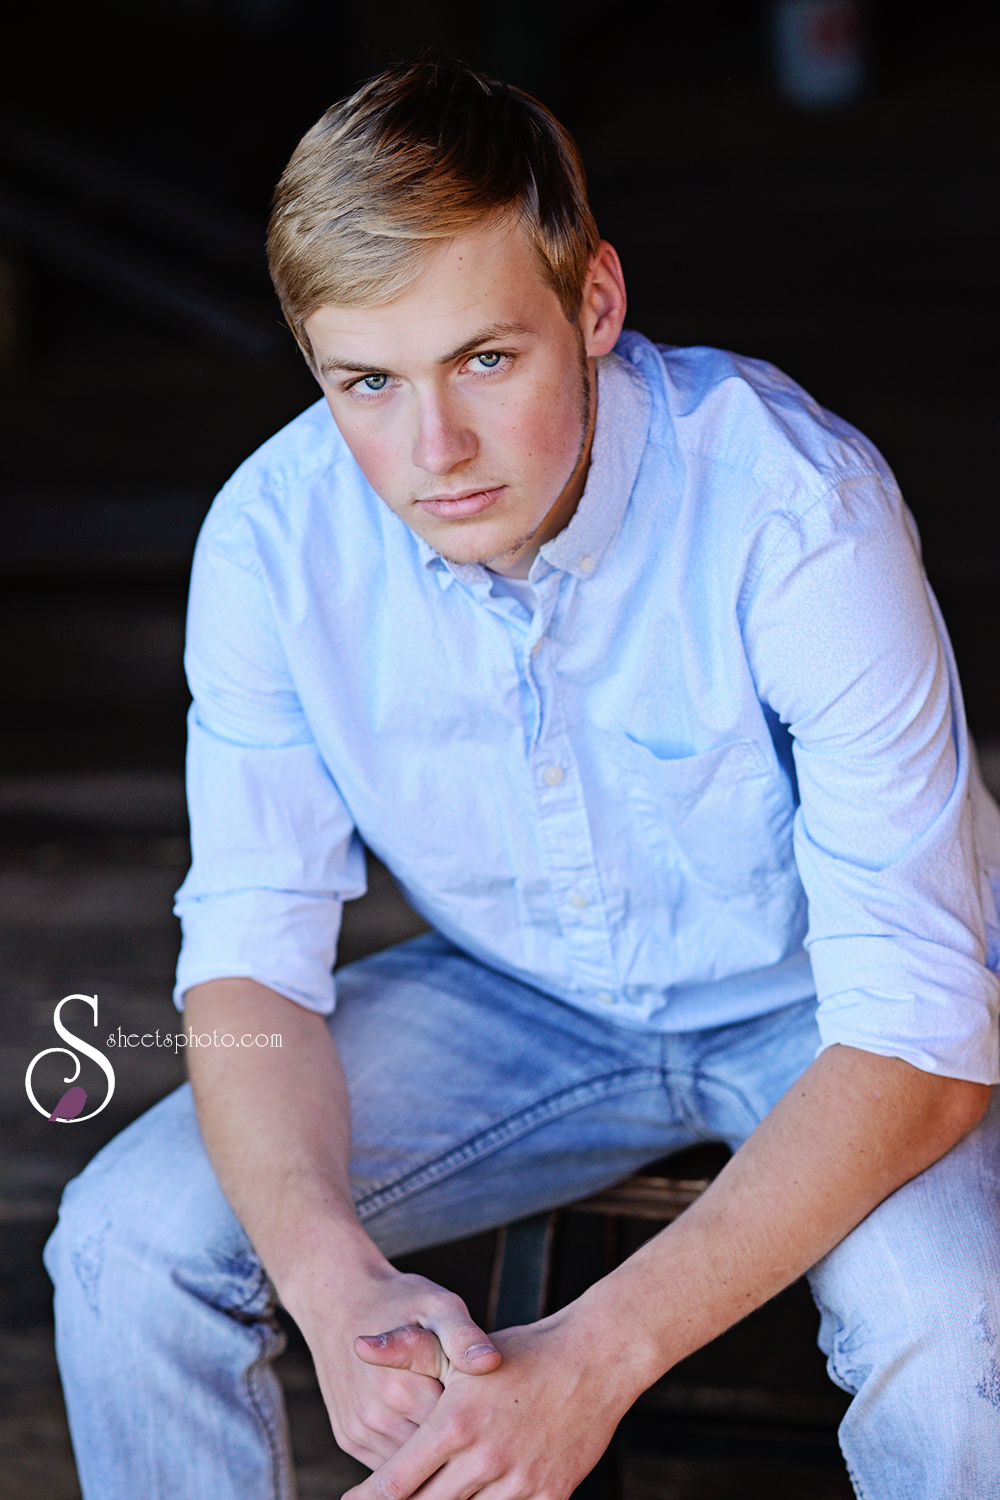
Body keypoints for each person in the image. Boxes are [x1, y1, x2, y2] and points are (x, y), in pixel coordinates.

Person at [45, 59, 1000, 1500]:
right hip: (519, 1001)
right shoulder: (272, 543)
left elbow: (920, 1029)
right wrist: (331, 1281)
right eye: (369, 382)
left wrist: (590, 1360)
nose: (433, 452)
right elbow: (247, 959)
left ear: (595, 304)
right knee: (126, 1242)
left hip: (831, 1008)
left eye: (485, 360)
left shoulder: (798, 511)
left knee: (955, 1320)